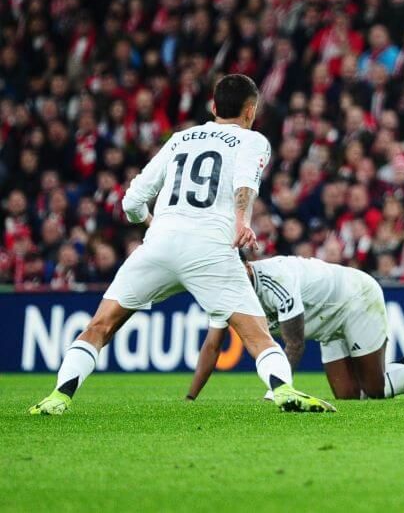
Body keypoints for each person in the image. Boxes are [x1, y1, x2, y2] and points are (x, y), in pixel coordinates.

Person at [29, 75, 335, 415]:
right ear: (250, 111)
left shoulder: (180, 139)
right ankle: (282, 390)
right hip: (211, 247)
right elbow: (246, 181)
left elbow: (131, 201)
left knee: (100, 326)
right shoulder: (252, 141)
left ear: (214, 107)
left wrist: (154, 224)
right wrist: (242, 222)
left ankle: (58, 396)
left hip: (159, 245)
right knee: (257, 336)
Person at [186, 254, 404, 400]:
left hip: (355, 299)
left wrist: (279, 389)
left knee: (375, 388)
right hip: (328, 326)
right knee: (349, 397)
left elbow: (294, 344)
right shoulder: (230, 294)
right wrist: (190, 398)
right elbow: (212, 345)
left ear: (246, 266)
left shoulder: (275, 280)